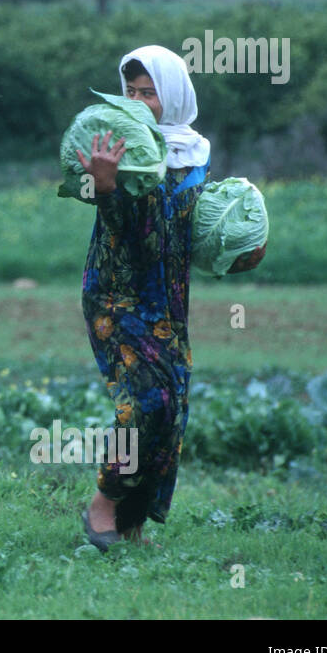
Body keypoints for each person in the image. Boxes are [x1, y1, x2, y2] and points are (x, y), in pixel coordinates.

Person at [75, 44, 233, 551]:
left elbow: (192, 232)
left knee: (173, 406)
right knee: (146, 401)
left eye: (150, 93)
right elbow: (129, 237)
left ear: (176, 96)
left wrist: (240, 248)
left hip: (167, 297)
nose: (140, 103)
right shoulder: (122, 148)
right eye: (131, 92)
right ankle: (104, 502)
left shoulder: (196, 152)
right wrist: (105, 189)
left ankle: (132, 521)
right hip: (117, 292)